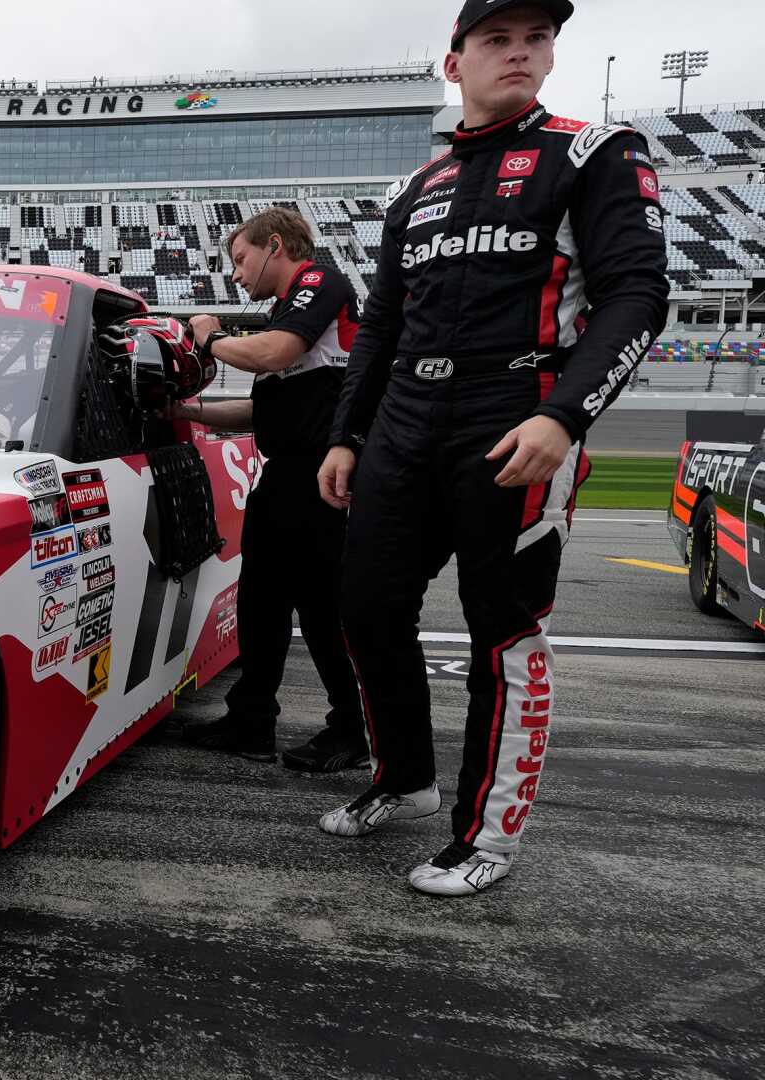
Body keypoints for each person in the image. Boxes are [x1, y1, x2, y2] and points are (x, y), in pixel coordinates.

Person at [315, 0, 668, 895]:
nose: (519, 53)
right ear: (454, 63)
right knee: (363, 606)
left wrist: (566, 414)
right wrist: (346, 435)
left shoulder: (594, 150)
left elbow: (635, 295)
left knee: (502, 631)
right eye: (496, 40)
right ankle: (405, 778)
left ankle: (489, 832)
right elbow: (381, 325)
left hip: (514, 408)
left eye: (535, 39)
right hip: (403, 418)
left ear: (551, 53)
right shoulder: (413, 189)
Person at [173, 208, 367, 772]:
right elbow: (262, 410)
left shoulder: (317, 281)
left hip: (322, 476)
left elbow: (271, 355)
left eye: (240, 260)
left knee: (323, 609)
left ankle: (352, 730)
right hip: (287, 475)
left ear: (274, 245)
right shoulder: (285, 314)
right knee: (261, 603)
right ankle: (251, 719)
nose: (236, 275)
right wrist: (184, 410)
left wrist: (209, 338)